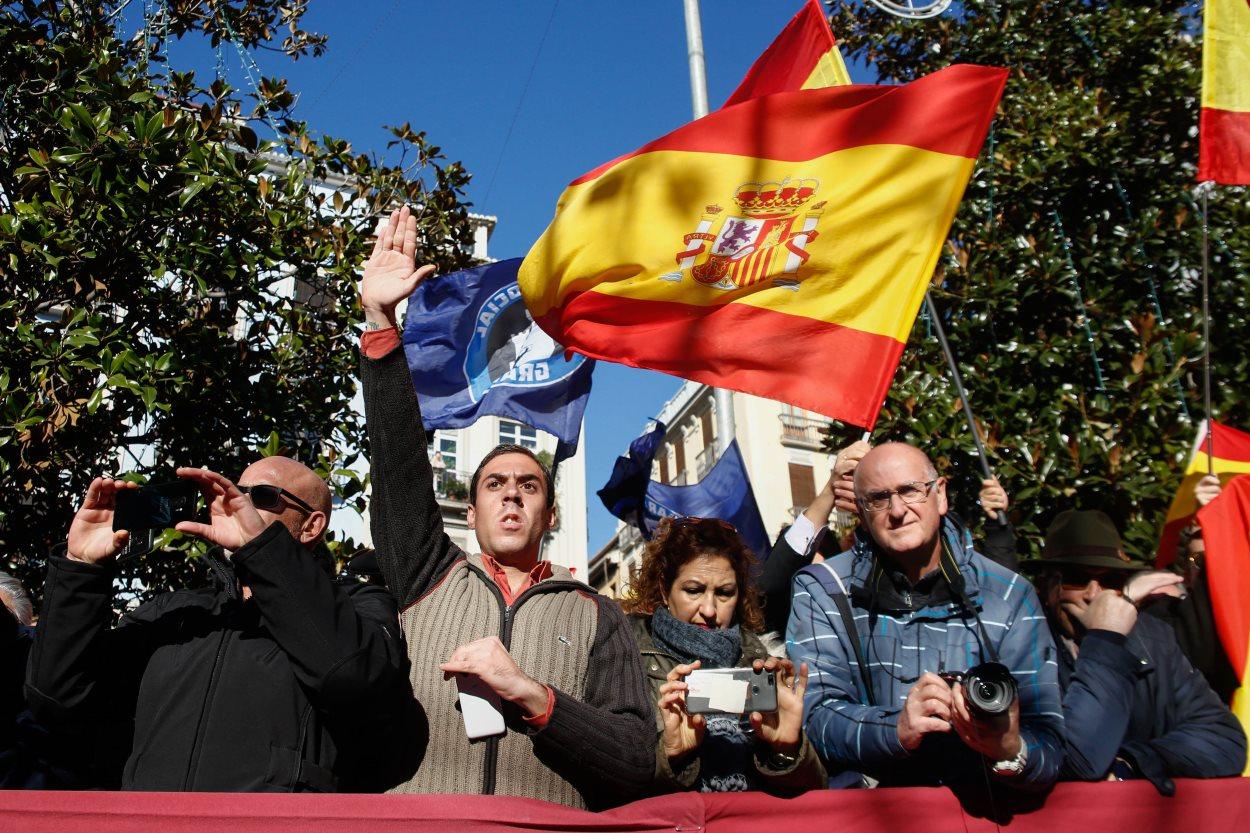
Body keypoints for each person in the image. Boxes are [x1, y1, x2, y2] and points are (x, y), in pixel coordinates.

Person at [357, 206, 653, 809]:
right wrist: (381, 322)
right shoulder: (429, 576)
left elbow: (634, 763)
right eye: (493, 485)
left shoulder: (599, 615)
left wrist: (534, 698)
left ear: (551, 516)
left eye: (528, 485)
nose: (512, 492)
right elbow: (398, 468)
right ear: (470, 514)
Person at [25, 460, 413, 791]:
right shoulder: (176, 612)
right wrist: (80, 570)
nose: (238, 505)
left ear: (311, 526)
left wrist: (264, 553)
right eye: (236, 493)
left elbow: (354, 679)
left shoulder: (356, 606)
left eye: (260, 496)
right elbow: (58, 697)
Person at [787, 442, 1063, 790]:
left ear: (940, 494)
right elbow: (814, 717)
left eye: (909, 491)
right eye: (878, 498)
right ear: (861, 511)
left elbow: (1050, 742)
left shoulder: (1008, 594)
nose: (898, 509)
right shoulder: (823, 590)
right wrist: (897, 729)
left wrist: (1009, 748)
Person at [1030, 509, 1246, 793]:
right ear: (1047, 586)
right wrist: (1105, 639)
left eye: (1110, 580)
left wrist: (1132, 763)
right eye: (1077, 577)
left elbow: (1224, 740)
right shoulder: (1027, 643)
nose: (1094, 594)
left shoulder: (1153, 639)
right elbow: (1080, 761)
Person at [619, 516, 824, 795]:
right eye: (694, 590)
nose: (710, 609)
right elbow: (609, 783)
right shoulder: (624, 653)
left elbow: (815, 791)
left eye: (725, 593)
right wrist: (669, 754)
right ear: (665, 590)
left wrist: (787, 749)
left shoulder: (762, 661)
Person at [1145, 476, 1239, 702]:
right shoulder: (1162, 619)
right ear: (1185, 571)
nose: (1210, 566)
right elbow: (1198, 649)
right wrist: (1214, 521)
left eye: (1219, 555)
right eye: (1199, 559)